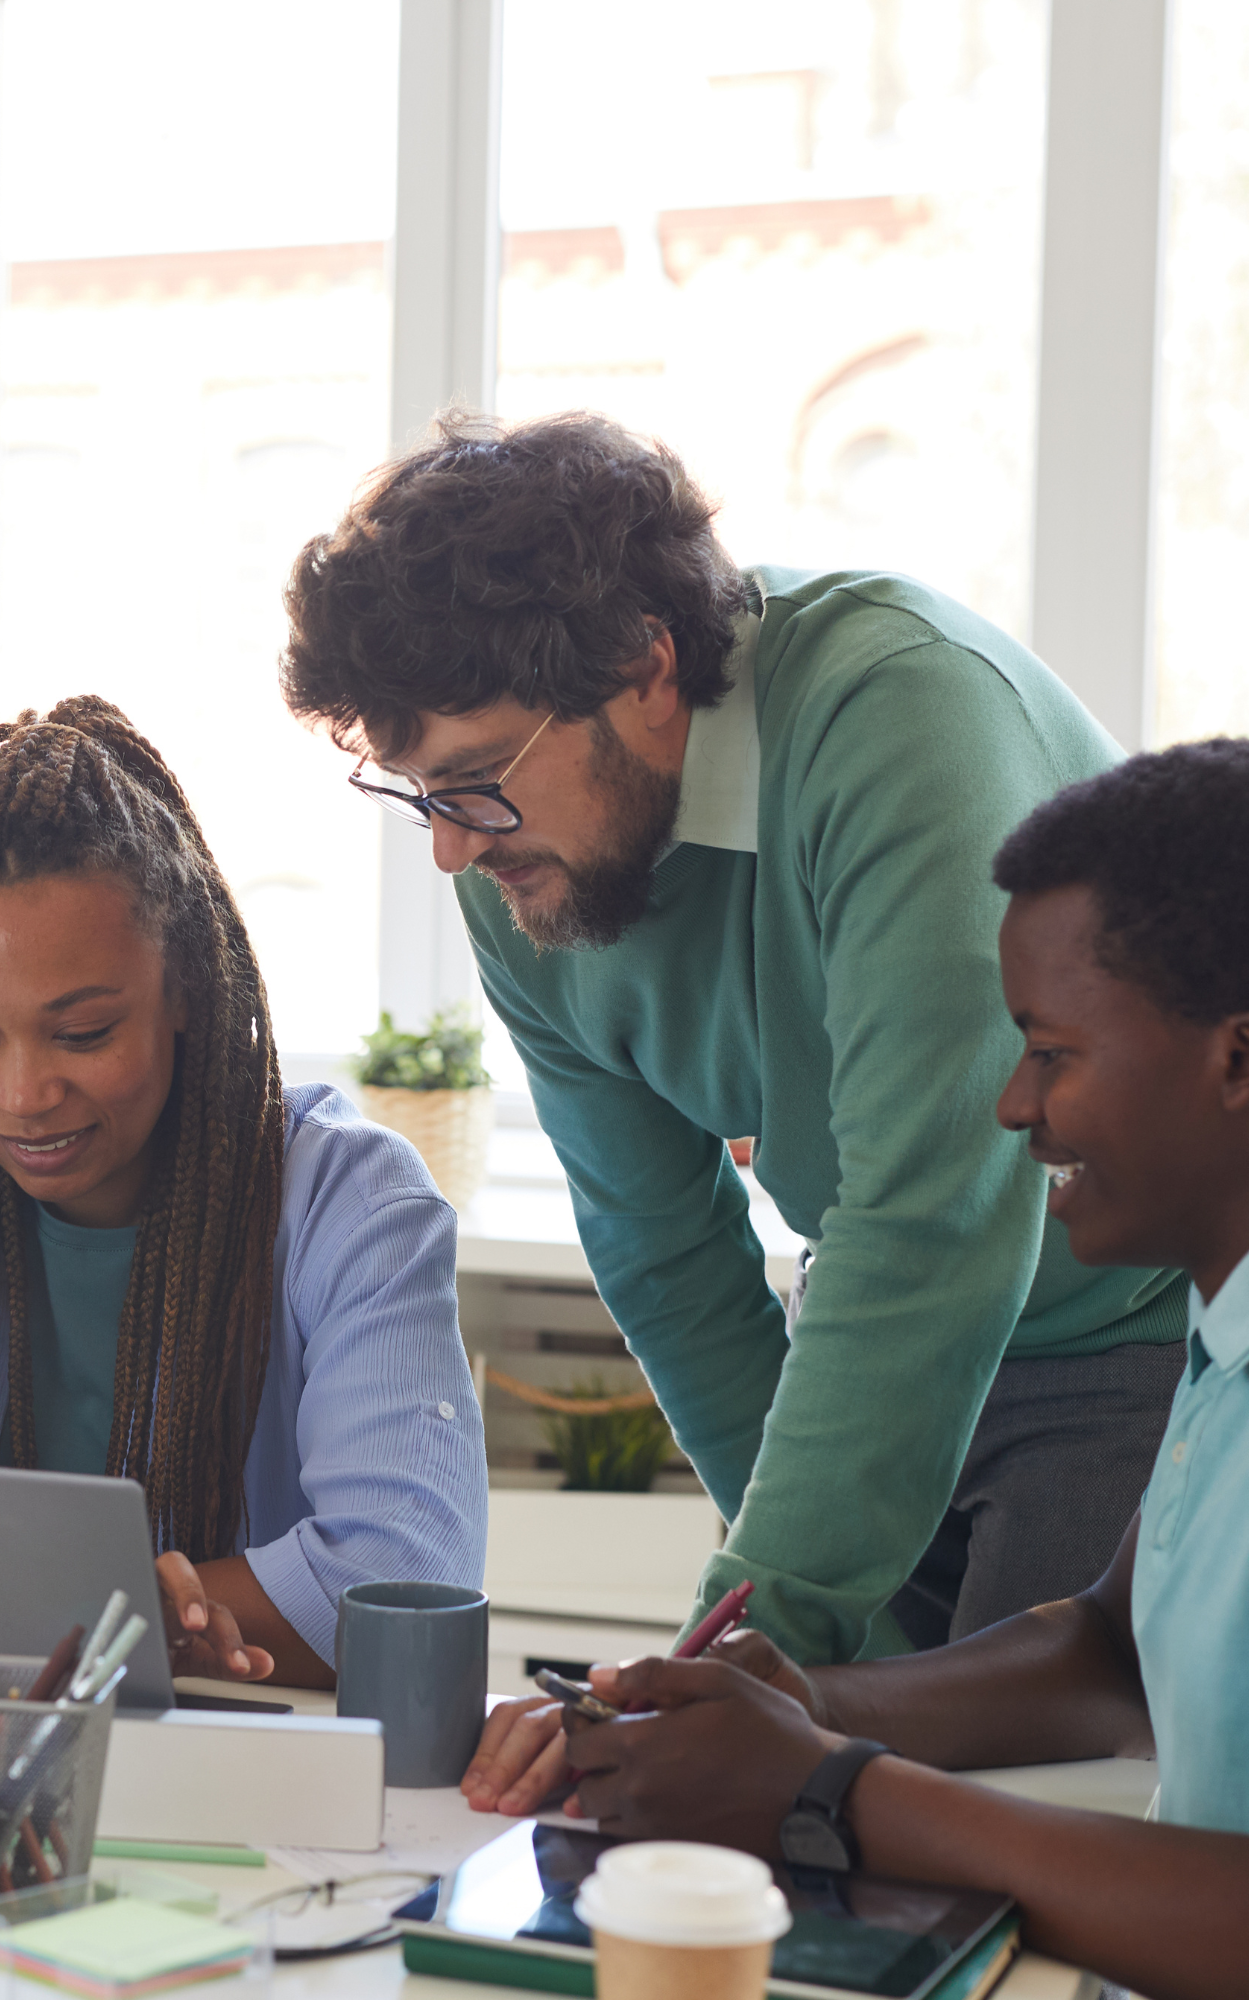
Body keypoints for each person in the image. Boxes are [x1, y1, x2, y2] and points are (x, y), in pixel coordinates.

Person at [280, 410, 1182, 1668]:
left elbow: (928, 1217)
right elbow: (662, 1252)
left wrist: (743, 1655)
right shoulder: (508, 858)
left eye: (479, 777)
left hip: (1117, 1331)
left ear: (647, 670)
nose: (451, 845)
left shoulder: (898, 713)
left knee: (992, 1802)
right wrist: (762, 1640)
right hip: (867, 1332)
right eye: (420, 793)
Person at [455, 742, 1249, 1999]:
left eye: (1051, 1051)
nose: (1007, 1104)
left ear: (1233, 1059)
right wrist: (803, 1701)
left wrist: (831, 1784)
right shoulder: (1223, 1333)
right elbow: (1108, 1652)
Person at [0, 698, 486, 1686]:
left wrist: (79, 1614)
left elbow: (399, 1584)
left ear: (183, 994)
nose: (24, 1093)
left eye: (80, 1032)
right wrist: (143, 1609)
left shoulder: (348, 1202)